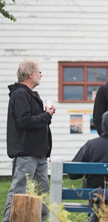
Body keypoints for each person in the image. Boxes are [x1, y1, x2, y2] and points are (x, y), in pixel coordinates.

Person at [3, 60, 55, 222]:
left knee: (42, 192)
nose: (41, 75)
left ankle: (38, 219)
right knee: (19, 190)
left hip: (39, 153)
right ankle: (9, 220)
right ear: (30, 74)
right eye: (39, 72)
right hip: (26, 152)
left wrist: (46, 115)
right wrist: (46, 116)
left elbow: (34, 120)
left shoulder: (31, 95)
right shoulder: (20, 94)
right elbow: (24, 122)